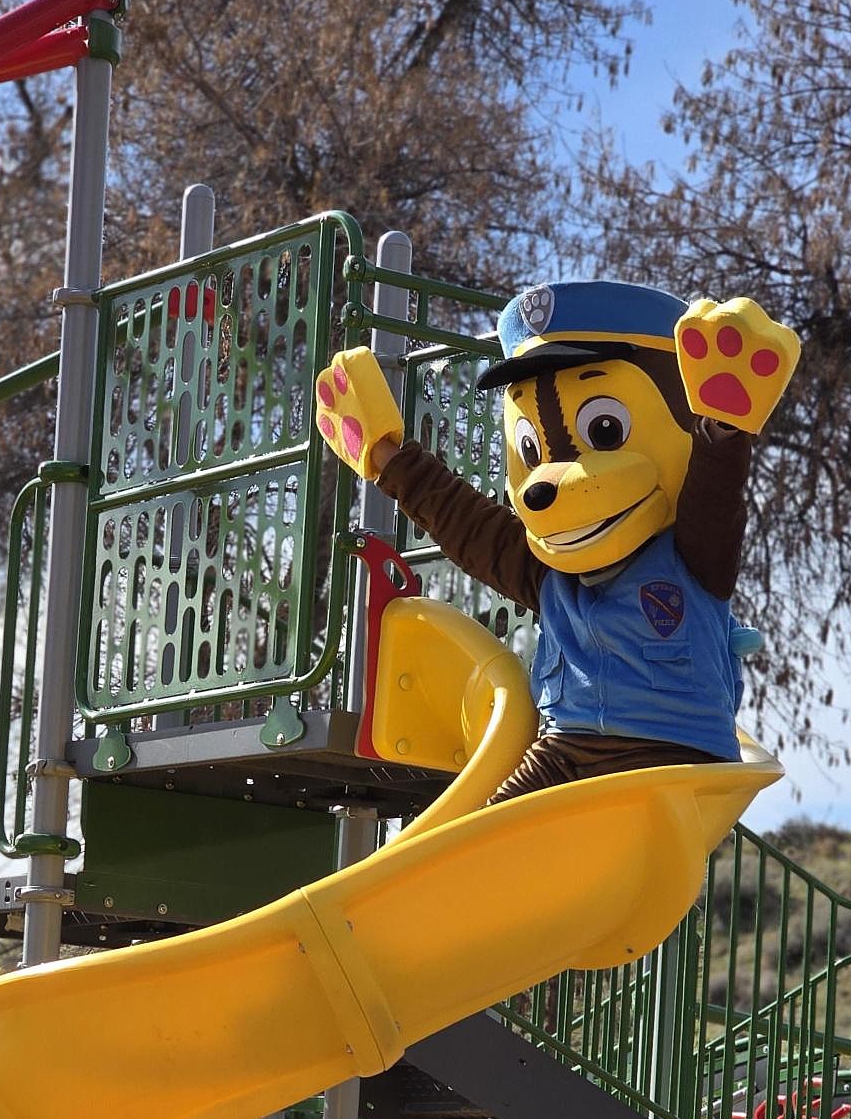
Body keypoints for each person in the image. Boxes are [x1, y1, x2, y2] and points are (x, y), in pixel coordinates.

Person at [316, 280, 799, 800]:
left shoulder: (691, 557)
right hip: (565, 752)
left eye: (605, 431)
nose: (547, 483)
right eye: (531, 450)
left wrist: (724, 427)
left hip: (678, 752)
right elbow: (469, 527)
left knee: (623, 840)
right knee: (490, 829)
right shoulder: (551, 577)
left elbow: (715, 495)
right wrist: (388, 459)